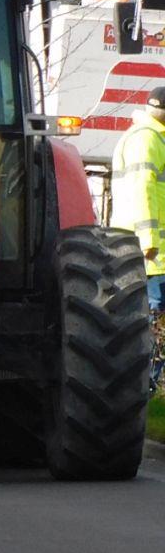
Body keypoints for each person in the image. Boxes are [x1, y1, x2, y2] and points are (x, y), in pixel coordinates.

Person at [109, 85, 165, 391]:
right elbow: (143, 191)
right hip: (154, 257)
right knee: (154, 328)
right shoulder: (148, 139)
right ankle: (144, 389)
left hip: (151, 254)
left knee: (155, 328)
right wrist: (148, 241)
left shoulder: (147, 136)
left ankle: (146, 389)